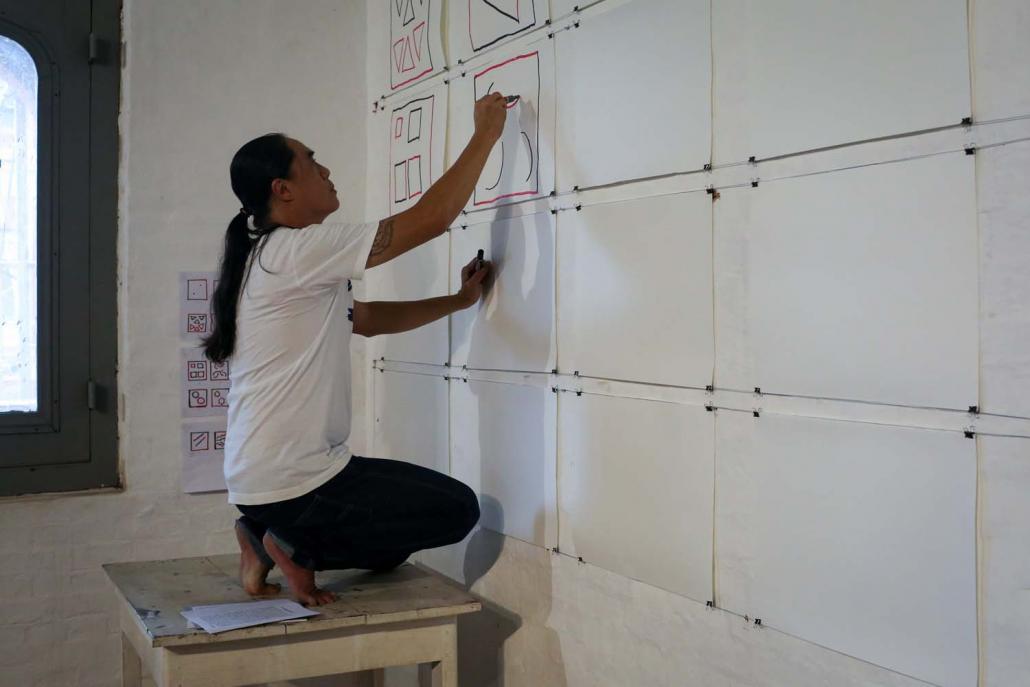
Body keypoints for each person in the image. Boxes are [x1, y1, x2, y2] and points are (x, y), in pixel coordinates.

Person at [202, 93, 509, 606]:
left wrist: (459, 300)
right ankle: (295, 545)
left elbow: (363, 320)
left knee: (389, 551)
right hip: (297, 475)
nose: (326, 170)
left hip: (264, 477)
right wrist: (485, 135)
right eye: (311, 162)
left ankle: (262, 536)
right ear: (284, 189)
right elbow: (430, 219)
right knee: (457, 511)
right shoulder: (298, 248)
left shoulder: (274, 256)